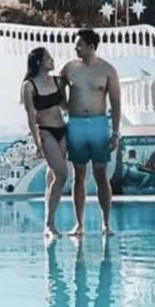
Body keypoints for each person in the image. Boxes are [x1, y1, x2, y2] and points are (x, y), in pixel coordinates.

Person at [60, 29, 121, 236]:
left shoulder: (107, 70)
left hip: (99, 124)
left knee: (101, 174)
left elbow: (116, 102)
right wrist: (64, 105)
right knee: (78, 175)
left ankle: (106, 224)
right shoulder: (69, 68)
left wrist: (115, 133)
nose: (75, 48)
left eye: (79, 44)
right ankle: (79, 224)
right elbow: (57, 90)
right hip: (76, 124)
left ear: (91, 46)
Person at [22, 46, 68, 238]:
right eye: (49, 58)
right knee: (62, 175)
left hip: (62, 131)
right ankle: (49, 224)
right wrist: (37, 143)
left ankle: (48, 222)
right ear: (39, 61)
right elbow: (31, 117)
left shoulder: (58, 81)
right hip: (46, 131)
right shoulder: (29, 86)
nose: (52, 60)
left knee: (53, 176)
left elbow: (65, 106)